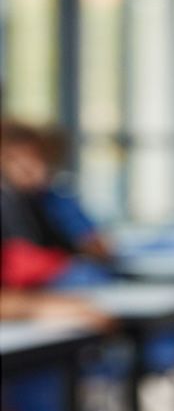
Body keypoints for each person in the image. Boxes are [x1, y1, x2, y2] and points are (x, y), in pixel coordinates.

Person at [1, 119, 115, 289]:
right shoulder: (8, 200)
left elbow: (98, 246)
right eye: (14, 159)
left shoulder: (46, 198)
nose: (28, 167)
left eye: (35, 159)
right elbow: (18, 267)